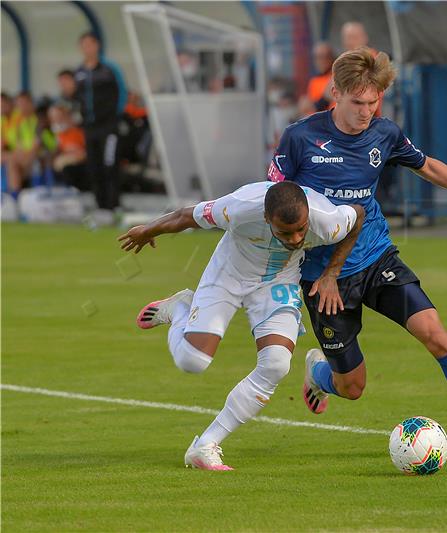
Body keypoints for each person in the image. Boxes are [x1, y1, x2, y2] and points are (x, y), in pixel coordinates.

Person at [269, 48, 447, 456]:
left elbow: (426, 165)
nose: (366, 112)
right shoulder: (301, 137)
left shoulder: (384, 133)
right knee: (352, 388)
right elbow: (271, 200)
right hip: (323, 279)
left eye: (373, 103)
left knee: (437, 336)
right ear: (335, 93)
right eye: (357, 103)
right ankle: (320, 376)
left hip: (376, 257)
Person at [117, 181, 365, 470]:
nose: (297, 238)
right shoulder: (240, 207)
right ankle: (179, 309)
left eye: (301, 229)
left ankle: (205, 445)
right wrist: (149, 230)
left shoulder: (327, 219)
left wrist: (332, 271)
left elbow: (358, 214)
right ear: (265, 218)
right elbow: (187, 216)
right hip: (228, 275)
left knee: (276, 365)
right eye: (286, 232)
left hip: (278, 282)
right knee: (192, 361)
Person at [74, 31, 127, 212]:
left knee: (109, 164)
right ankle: (101, 207)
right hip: (89, 128)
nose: (87, 48)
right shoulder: (80, 72)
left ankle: (114, 205)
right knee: (94, 166)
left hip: (108, 126)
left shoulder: (109, 69)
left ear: (97, 45)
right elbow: (77, 97)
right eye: (84, 45)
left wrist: (115, 116)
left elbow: (122, 92)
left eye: (90, 44)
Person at [48, 103, 88, 189]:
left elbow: (85, 152)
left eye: (60, 117)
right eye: (54, 118)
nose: (58, 121)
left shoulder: (79, 132)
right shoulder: (58, 136)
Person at [298, 42, 335, 116]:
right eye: (317, 57)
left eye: (325, 56)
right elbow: (310, 110)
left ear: (331, 58)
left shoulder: (336, 77)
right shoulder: (314, 81)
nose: (321, 61)